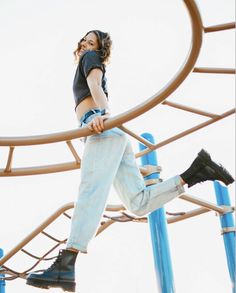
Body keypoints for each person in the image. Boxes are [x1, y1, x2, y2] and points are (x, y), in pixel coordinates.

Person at [26, 30, 234, 292]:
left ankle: (66, 263)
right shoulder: (88, 58)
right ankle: (195, 172)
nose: (85, 44)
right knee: (137, 202)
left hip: (99, 126)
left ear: (98, 50)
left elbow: (95, 85)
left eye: (91, 42)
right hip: (111, 133)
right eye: (84, 40)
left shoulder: (90, 58)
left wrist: (102, 114)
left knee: (91, 190)